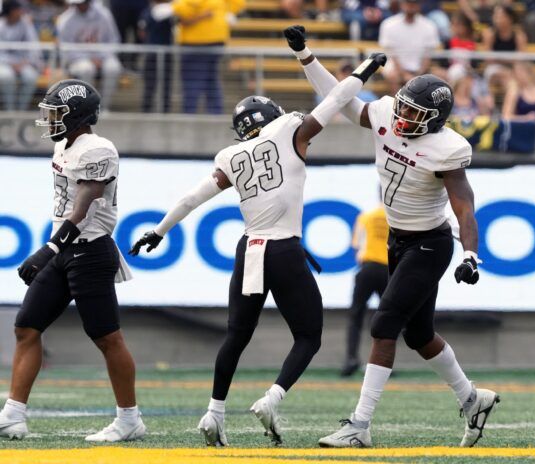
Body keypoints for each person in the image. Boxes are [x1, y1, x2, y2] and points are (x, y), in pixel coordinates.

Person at [129, 53, 386, 447]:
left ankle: (214, 412)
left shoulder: (230, 156)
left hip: (249, 248)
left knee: (236, 335)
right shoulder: (289, 130)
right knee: (308, 336)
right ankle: (272, 397)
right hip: (282, 248)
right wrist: (365, 69)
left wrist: (160, 230)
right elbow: (335, 101)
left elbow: (193, 197)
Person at [285, 25, 499, 449]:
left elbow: (464, 206)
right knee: (419, 336)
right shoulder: (385, 113)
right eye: (402, 107)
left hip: (430, 244)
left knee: (384, 324)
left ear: (435, 120)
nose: (403, 117)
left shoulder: (448, 149)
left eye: (415, 114)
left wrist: (471, 255)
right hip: (398, 241)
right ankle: (473, 399)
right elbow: (341, 100)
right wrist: (306, 56)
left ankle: (360, 425)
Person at [0, 79, 143, 442]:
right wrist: (54, 249)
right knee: (27, 326)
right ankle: (13, 415)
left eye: (57, 113)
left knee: (107, 338)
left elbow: (84, 205)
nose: (50, 121)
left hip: (91, 252)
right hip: (65, 250)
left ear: (78, 115)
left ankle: (129, 419)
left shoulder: (98, 148)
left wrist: (48, 249)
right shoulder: (67, 145)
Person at [151, 0, 245, 114]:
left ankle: (190, 115)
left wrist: (174, 8)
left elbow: (188, 6)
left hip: (197, 42)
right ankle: (215, 114)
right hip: (216, 39)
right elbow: (238, 3)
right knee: (211, 81)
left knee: (193, 83)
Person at [341, 203, 389, 377]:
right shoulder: (395, 217)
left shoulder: (366, 216)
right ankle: (385, 363)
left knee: (356, 316)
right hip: (388, 271)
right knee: (389, 319)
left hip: (368, 268)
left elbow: (357, 245)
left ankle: (351, 359)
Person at [56, 0, 122, 112]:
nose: (79, 6)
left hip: (103, 56)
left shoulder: (104, 14)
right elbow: (65, 48)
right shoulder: (65, 19)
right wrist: (87, 58)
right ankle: (87, 108)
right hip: (77, 59)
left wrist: (101, 56)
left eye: (81, 3)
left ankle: (103, 106)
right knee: (87, 69)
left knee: (113, 68)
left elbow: (114, 40)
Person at [378, 0, 440, 95]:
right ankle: (397, 107)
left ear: (419, 4)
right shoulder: (388, 24)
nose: (411, 5)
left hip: (421, 69)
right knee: (393, 76)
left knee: (442, 76)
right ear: (401, 4)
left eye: (414, 2)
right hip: (395, 67)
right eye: (408, 2)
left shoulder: (429, 26)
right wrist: (405, 75)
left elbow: (427, 56)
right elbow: (392, 55)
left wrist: (418, 75)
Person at [0, 0, 42, 111]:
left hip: (23, 62)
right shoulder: (1, 24)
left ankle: (21, 110)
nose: (20, 12)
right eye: (17, 9)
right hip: (3, 63)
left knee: (31, 78)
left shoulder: (26, 23)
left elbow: (34, 46)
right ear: (10, 11)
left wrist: (27, 61)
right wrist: (10, 63)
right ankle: (10, 110)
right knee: (7, 78)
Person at [139, 0, 174, 113]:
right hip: (152, 52)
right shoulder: (147, 11)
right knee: (150, 84)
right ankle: (146, 109)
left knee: (166, 84)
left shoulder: (170, 11)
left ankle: (165, 110)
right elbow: (142, 30)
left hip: (166, 52)